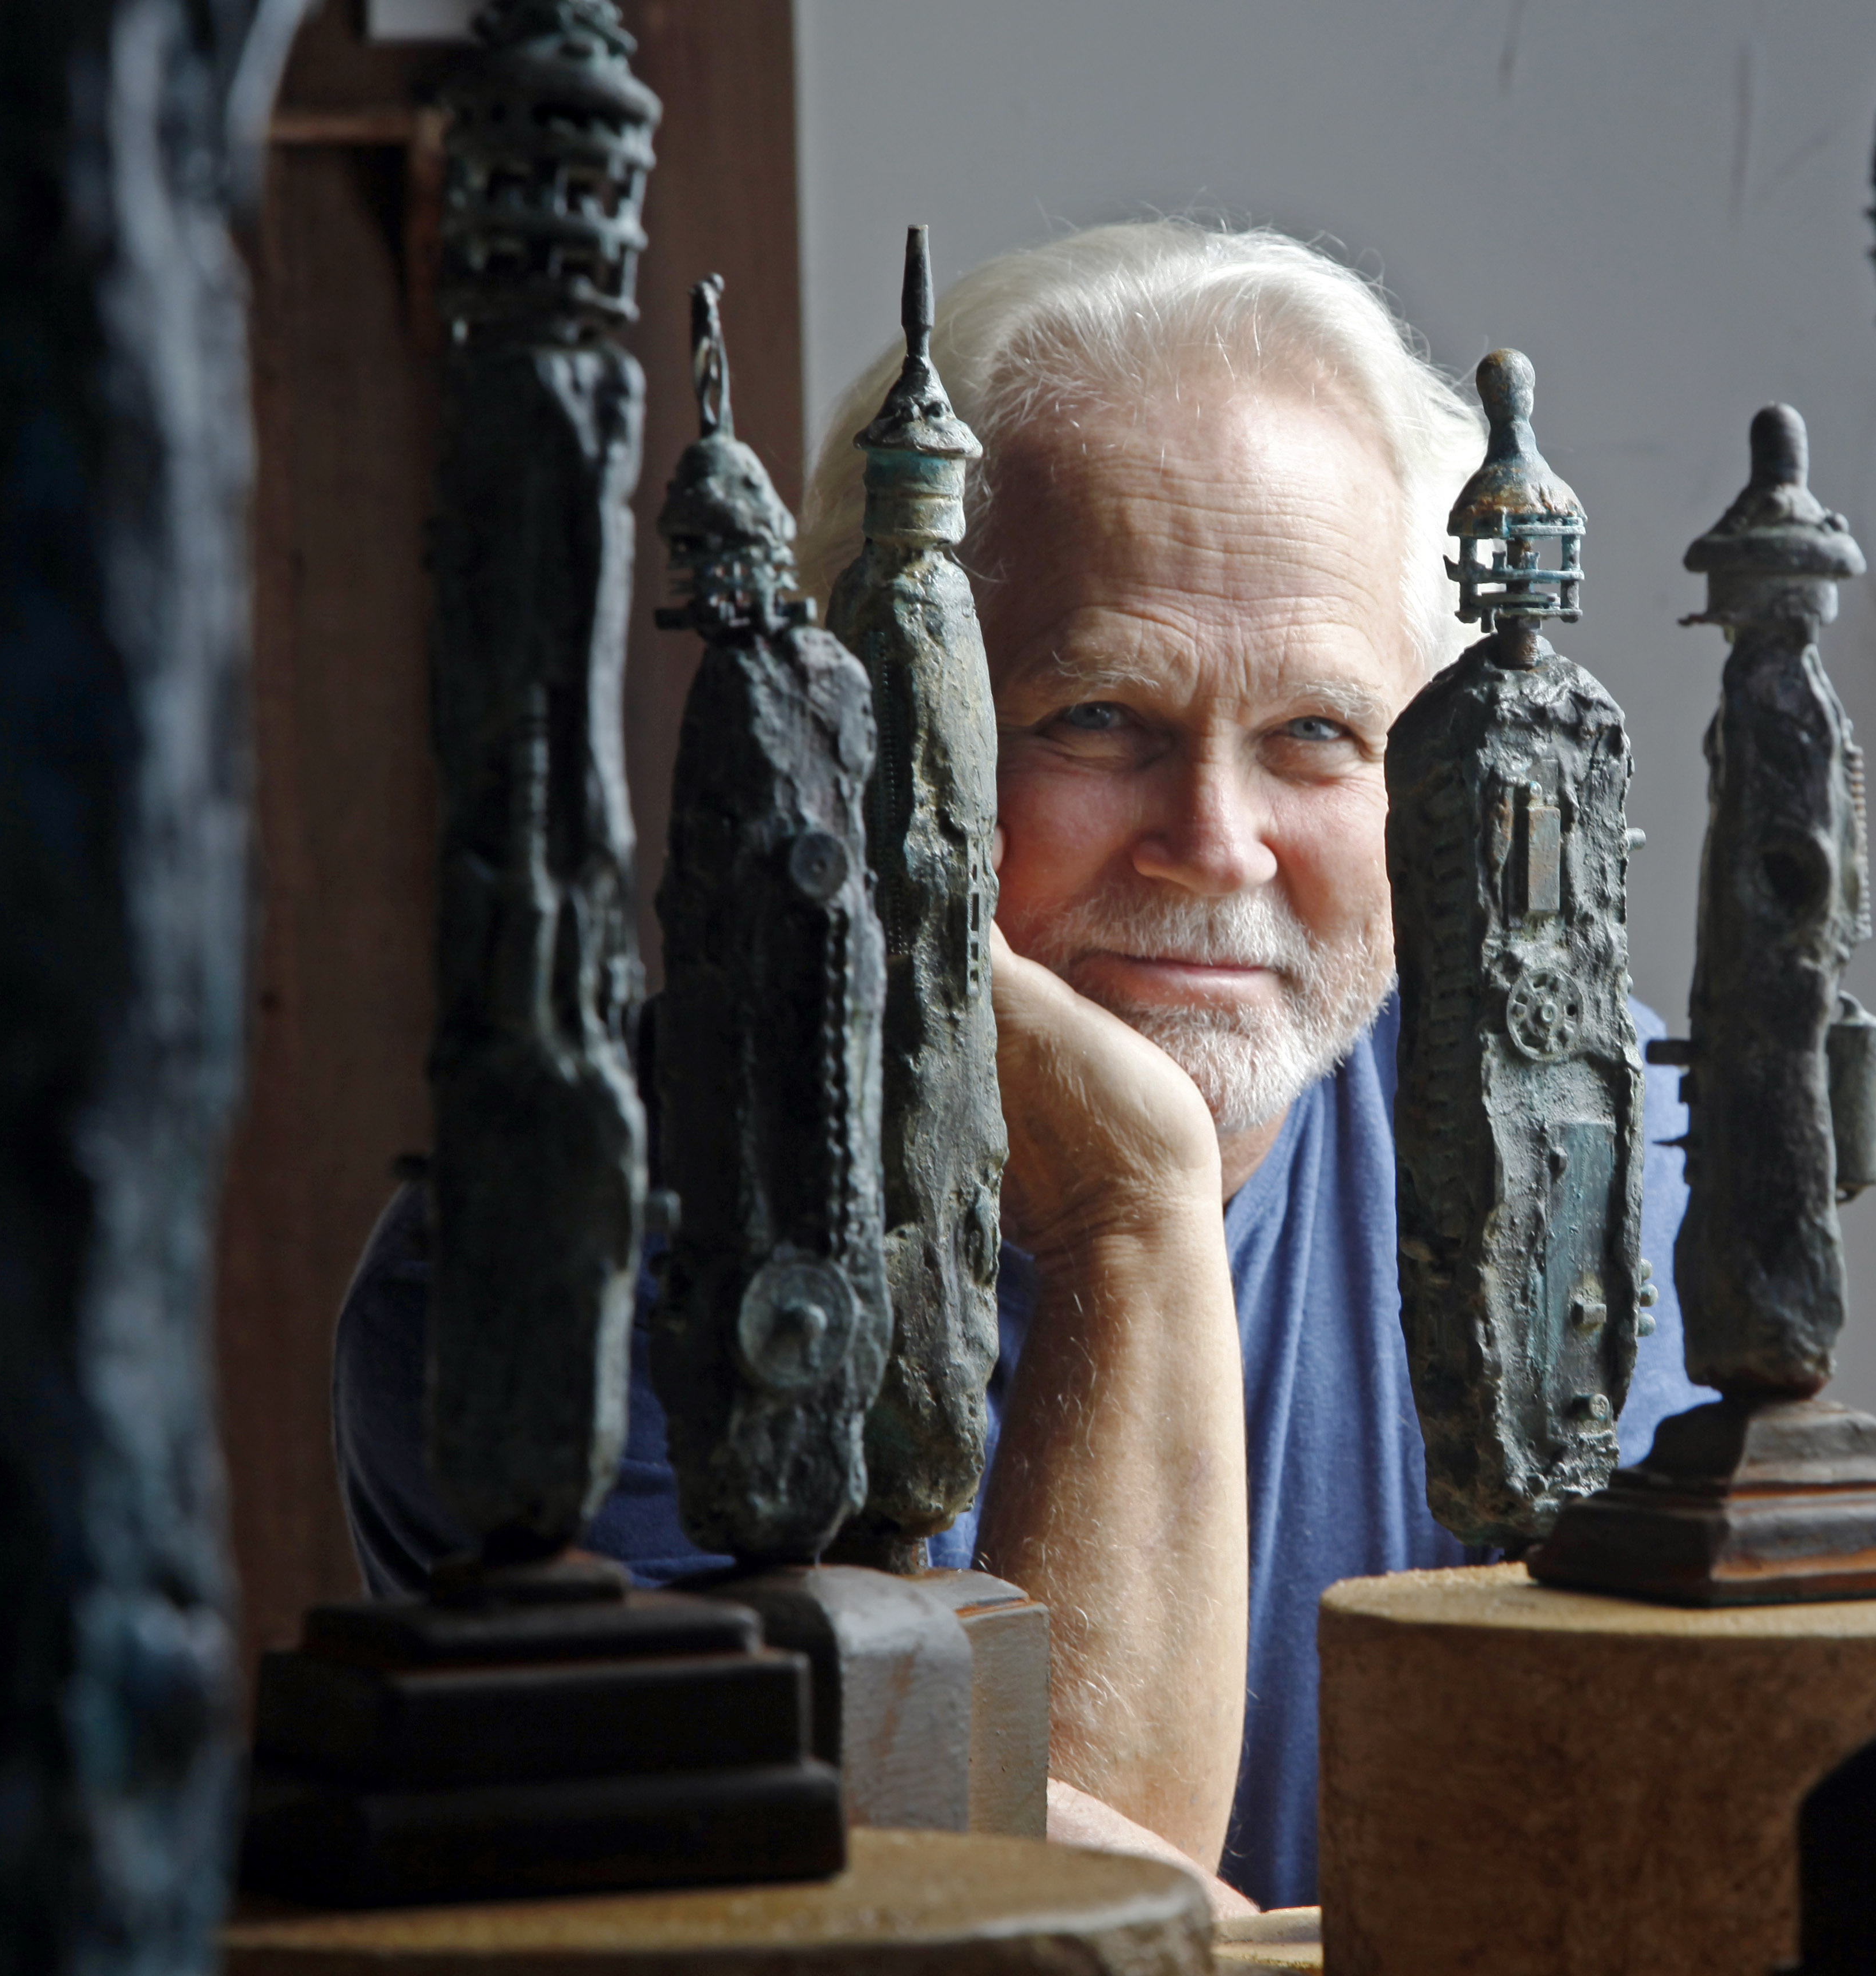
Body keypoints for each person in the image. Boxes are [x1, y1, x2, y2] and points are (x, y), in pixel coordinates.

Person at [333, 219, 1708, 1913]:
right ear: (873, 732)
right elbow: (1016, 1945)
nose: (1217, 845)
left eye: (1316, 736)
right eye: (1095, 718)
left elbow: (1662, 1837)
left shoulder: (1575, 1131)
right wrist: (1132, 1213)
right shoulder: (555, 1271)